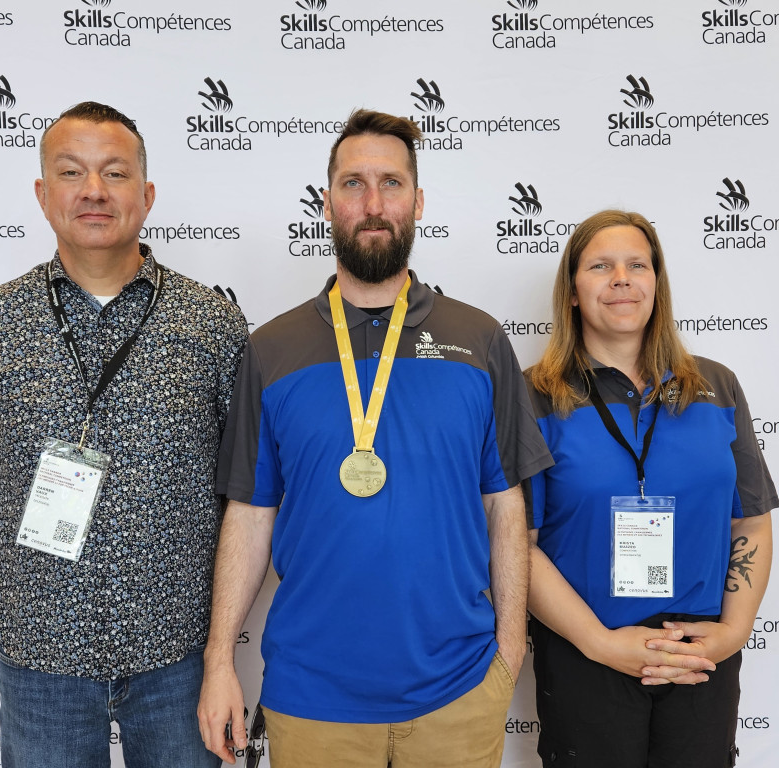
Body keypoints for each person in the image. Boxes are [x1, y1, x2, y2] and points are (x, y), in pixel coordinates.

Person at [197, 109, 553, 768]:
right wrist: (220, 660)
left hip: (458, 692)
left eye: (390, 183)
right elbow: (249, 513)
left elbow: (507, 505)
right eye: (354, 183)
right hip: (311, 698)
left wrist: (509, 648)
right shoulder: (271, 351)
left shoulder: (478, 342)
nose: (373, 203)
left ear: (417, 202)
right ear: (327, 201)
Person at [0, 101, 248, 768]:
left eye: (115, 173)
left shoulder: (213, 324)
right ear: (44, 195)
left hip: (179, 652)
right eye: (72, 172)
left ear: (147, 195)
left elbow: (247, 483)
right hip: (39, 653)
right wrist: (43, 531)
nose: (94, 191)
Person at [525, 210, 778, 767]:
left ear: (656, 285)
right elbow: (519, 542)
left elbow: (751, 520)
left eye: (637, 265)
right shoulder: (536, 396)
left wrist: (732, 632)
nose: (621, 278)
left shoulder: (716, 386)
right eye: (601, 266)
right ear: (572, 291)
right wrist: (599, 642)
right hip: (584, 652)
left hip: (699, 653)